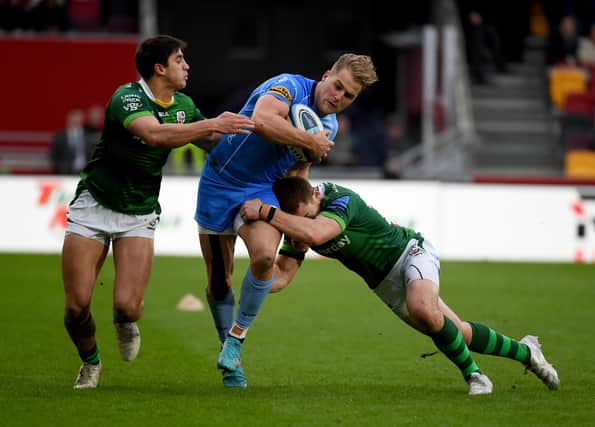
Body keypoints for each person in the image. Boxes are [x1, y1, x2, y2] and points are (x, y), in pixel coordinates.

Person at [239, 176, 560, 395]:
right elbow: (281, 277)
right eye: (298, 221)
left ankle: (476, 376)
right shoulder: (298, 224)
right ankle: (526, 352)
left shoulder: (339, 199)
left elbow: (319, 234)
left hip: (410, 253)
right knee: (454, 331)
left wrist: (267, 213)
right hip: (383, 283)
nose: (303, 224)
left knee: (424, 310)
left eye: (306, 216)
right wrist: (255, 277)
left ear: (314, 195)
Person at [61, 34, 255, 390]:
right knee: (76, 307)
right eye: (179, 59)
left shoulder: (183, 103)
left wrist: (264, 140)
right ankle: (90, 363)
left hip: (139, 213)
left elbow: (213, 143)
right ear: (159, 68)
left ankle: (125, 321)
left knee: (128, 307)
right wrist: (213, 122)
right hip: (94, 205)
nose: (187, 65)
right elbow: (155, 135)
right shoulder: (127, 97)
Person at [194, 53, 378, 388]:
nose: (339, 97)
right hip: (220, 183)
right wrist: (310, 141)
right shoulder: (288, 86)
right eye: (338, 86)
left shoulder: (330, 126)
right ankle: (227, 353)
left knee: (265, 256)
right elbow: (263, 120)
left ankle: (235, 343)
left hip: (263, 190)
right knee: (220, 282)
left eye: (349, 95)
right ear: (326, 76)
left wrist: (300, 216)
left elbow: (297, 172)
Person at [50, 107, 94, 175]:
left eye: (79, 117)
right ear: (69, 118)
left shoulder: (89, 136)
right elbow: (53, 156)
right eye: (74, 116)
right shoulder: (60, 136)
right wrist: (61, 168)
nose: (76, 119)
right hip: (65, 173)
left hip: (86, 173)